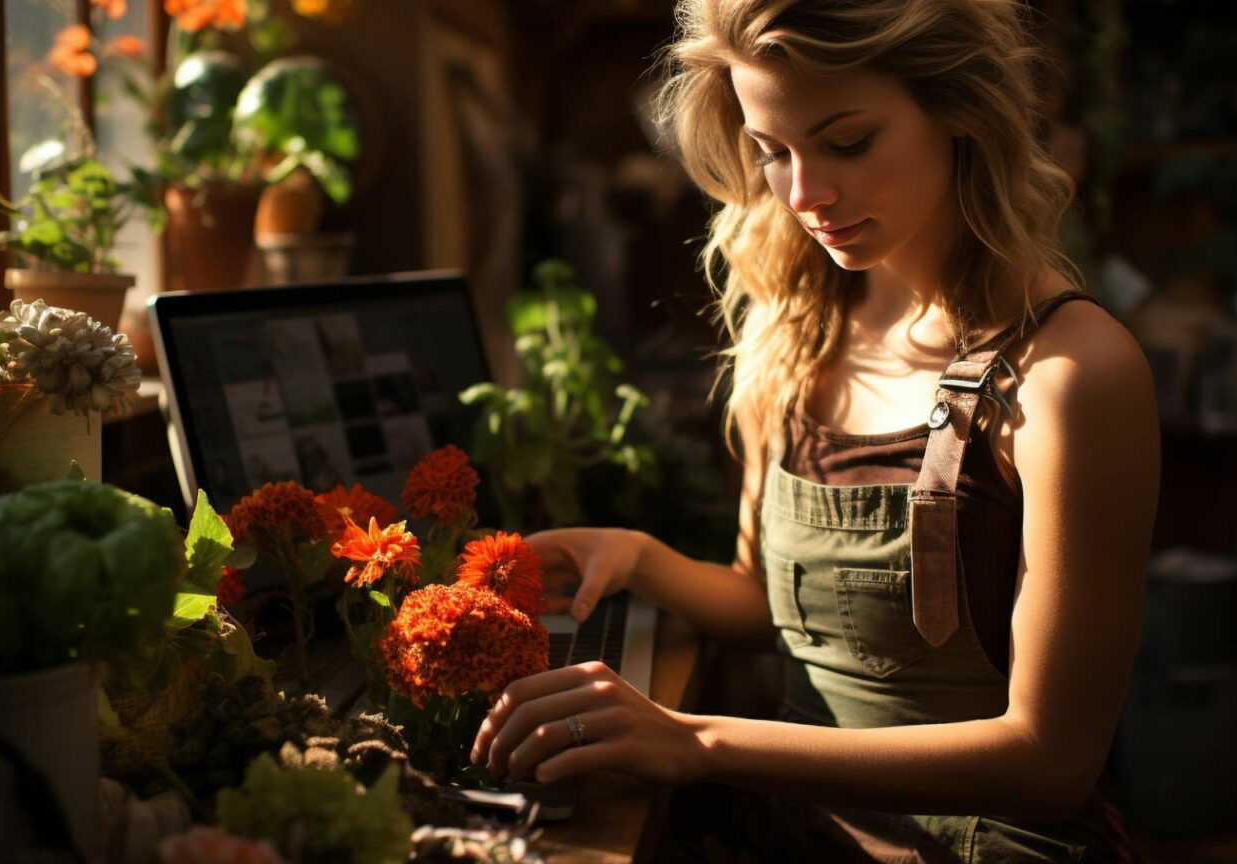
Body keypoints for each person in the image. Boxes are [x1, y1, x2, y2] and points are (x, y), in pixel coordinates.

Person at [470, 0, 1159, 860]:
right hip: (803, 836)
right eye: (772, 152)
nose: (805, 195)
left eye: (847, 142)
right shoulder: (797, 331)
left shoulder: (1072, 376)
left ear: (959, 109)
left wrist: (699, 742)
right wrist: (639, 557)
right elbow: (770, 606)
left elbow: (1050, 762)